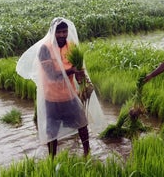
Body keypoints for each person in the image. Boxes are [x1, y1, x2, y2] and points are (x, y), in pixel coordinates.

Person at [16, 17, 105, 157]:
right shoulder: (45, 49)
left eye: (65, 31)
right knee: (52, 131)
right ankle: (52, 159)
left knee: (82, 124)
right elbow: (52, 75)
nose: (62, 35)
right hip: (52, 98)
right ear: (53, 32)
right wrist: (72, 70)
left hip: (70, 95)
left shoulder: (72, 47)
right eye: (59, 32)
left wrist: (82, 80)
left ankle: (87, 153)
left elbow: (78, 72)